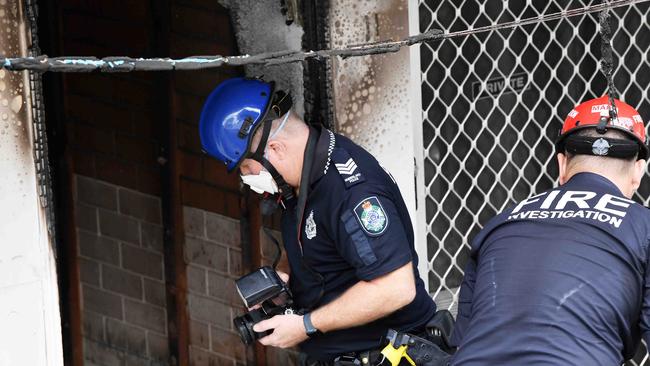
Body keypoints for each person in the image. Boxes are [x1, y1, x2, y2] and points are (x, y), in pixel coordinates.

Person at [199, 77, 438, 365]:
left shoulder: (351, 193)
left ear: (274, 149)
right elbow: (314, 236)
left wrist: (306, 325)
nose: (247, 180)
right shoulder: (299, 177)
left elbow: (397, 288)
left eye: (246, 169)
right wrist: (284, 279)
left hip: (389, 355)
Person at [449, 95, 650, 365]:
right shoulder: (643, 225)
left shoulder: (501, 223)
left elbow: (462, 341)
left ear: (562, 164)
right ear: (639, 171)